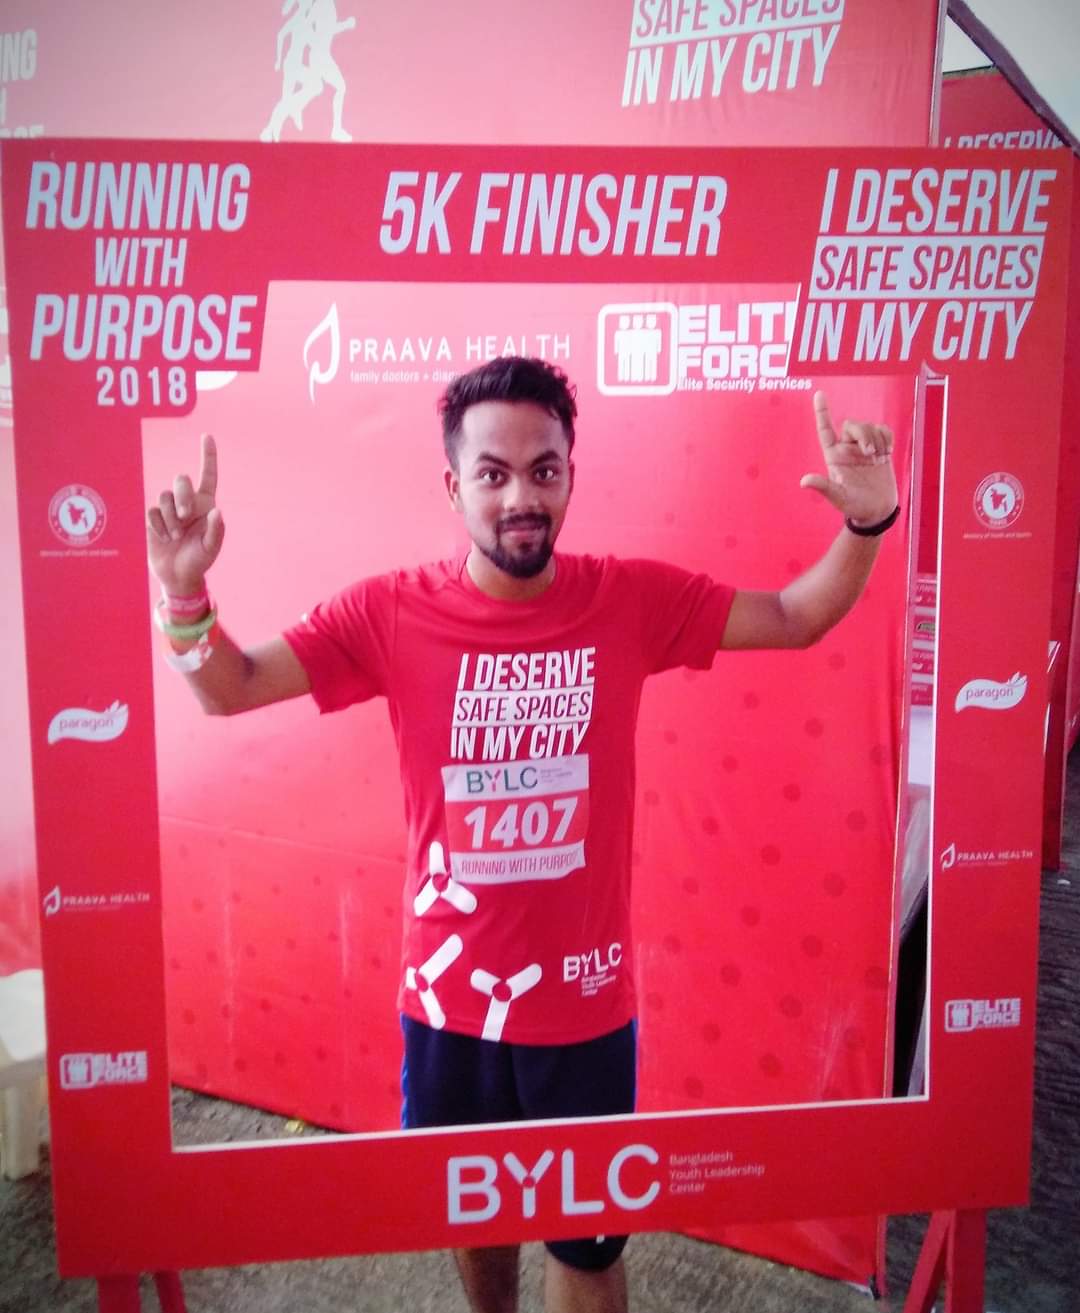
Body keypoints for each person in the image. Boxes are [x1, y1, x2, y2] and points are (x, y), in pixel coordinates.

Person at [146, 356, 898, 1313]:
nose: (521, 499)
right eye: (493, 474)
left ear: (571, 476)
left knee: (587, 1243)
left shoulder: (626, 598)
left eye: (543, 470)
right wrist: (183, 597)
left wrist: (867, 525)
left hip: (584, 1006)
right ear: (452, 486)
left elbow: (794, 616)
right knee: (475, 1218)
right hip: (448, 1002)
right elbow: (231, 687)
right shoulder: (388, 611)